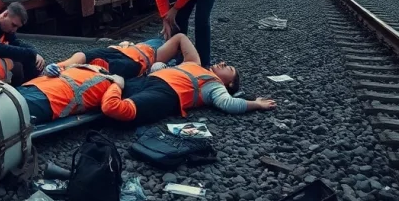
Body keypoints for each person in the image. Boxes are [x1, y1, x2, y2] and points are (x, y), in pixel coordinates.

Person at [98, 43, 276, 124]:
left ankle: (114, 89)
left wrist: (257, 104)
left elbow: (228, 104)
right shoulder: (194, 65)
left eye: (228, 68)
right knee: (102, 88)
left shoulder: (214, 85)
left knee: (116, 108)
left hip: (166, 94)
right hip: (150, 80)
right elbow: (181, 39)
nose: (223, 62)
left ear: (229, 84)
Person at [43, 34, 195, 79]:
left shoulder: (158, 55)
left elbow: (180, 38)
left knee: (100, 62)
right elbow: (179, 38)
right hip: (128, 52)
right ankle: (59, 66)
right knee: (93, 57)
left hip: (136, 59)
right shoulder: (158, 49)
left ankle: (60, 67)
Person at [17, 63, 124, 125]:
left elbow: (110, 107)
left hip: (49, 100)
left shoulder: (110, 84)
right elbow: (55, 70)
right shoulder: (79, 67)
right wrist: (49, 69)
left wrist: (118, 85)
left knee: (8, 107)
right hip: (34, 88)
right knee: (5, 98)